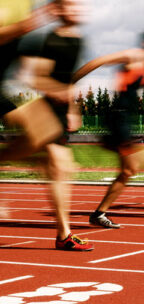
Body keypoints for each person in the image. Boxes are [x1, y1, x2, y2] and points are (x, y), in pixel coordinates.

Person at [0, 0, 93, 250]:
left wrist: (72, 106)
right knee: (49, 152)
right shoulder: (32, 22)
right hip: (11, 87)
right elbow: (34, 73)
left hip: (9, 85)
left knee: (57, 154)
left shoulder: (27, 6)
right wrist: (26, 25)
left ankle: (64, 234)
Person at [72, 27, 144, 228]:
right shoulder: (134, 56)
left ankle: (105, 144)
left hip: (126, 119)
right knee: (130, 169)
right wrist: (70, 82)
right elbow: (98, 61)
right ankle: (99, 214)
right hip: (118, 117)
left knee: (135, 165)